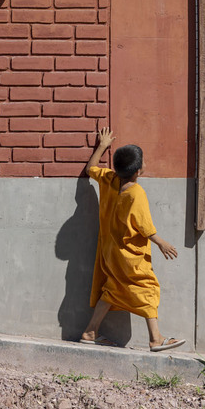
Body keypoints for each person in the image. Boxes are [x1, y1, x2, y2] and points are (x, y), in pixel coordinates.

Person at [79, 127, 185, 352]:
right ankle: (156, 339)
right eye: (143, 161)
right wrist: (161, 243)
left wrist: (102, 146)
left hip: (109, 252)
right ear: (138, 171)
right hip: (130, 255)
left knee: (113, 288)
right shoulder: (136, 193)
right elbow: (144, 227)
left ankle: (90, 332)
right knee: (148, 288)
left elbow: (90, 169)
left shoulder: (109, 179)